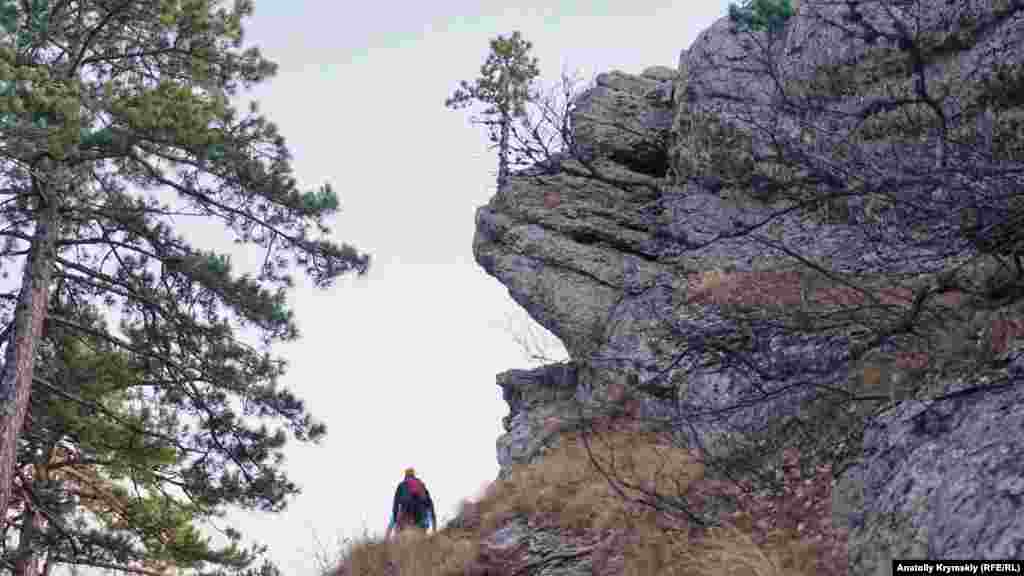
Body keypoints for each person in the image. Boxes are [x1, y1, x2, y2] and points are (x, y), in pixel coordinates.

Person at [385, 467, 436, 539]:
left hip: (406, 510)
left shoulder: (402, 484)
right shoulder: (421, 484)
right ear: (414, 475)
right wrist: (433, 525)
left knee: (400, 530)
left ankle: (387, 539)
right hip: (421, 511)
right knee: (421, 531)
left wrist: (395, 518)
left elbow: (395, 503)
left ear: (405, 475)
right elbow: (429, 502)